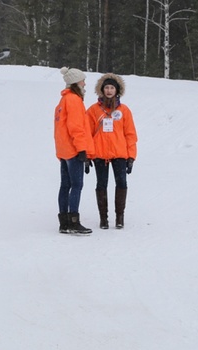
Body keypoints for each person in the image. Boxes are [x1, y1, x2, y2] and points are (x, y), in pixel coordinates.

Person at [86, 73, 138, 229]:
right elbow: (87, 134)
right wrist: (87, 155)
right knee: (101, 184)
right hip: (99, 154)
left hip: (119, 153)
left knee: (121, 183)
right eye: (107, 88)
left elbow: (130, 134)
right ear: (101, 90)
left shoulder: (124, 110)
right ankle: (103, 218)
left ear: (117, 90)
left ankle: (120, 217)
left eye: (112, 88)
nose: (109, 91)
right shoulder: (93, 110)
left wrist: (131, 156)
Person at [54, 67, 95, 235]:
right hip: (73, 150)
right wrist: (82, 149)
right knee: (77, 185)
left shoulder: (63, 101)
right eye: (83, 80)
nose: (85, 83)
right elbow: (76, 127)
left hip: (64, 150)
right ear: (76, 83)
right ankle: (73, 221)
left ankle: (64, 222)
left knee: (65, 185)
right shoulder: (74, 100)